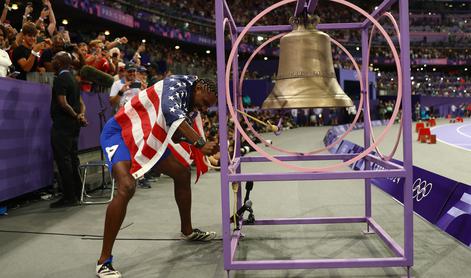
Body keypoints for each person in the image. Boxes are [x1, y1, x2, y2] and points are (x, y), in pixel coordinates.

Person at [96, 75, 219, 278]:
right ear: (198, 88)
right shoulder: (176, 84)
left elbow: (177, 133)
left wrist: (194, 141)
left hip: (147, 135)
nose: (205, 109)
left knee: (181, 173)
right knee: (126, 186)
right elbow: (171, 114)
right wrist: (199, 144)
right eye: (205, 103)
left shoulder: (191, 102)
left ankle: (187, 230)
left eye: (208, 107)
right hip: (121, 132)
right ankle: (103, 261)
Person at [50, 51, 88, 208]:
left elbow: (63, 103)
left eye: (54, 58)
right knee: (73, 159)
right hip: (73, 126)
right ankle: (78, 192)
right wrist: (81, 115)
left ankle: (69, 196)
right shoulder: (73, 78)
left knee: (63, 160)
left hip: (63, 125)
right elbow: (81, 103)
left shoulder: (60, 78)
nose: (52, 61)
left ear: (59, 62)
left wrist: (76, 116)